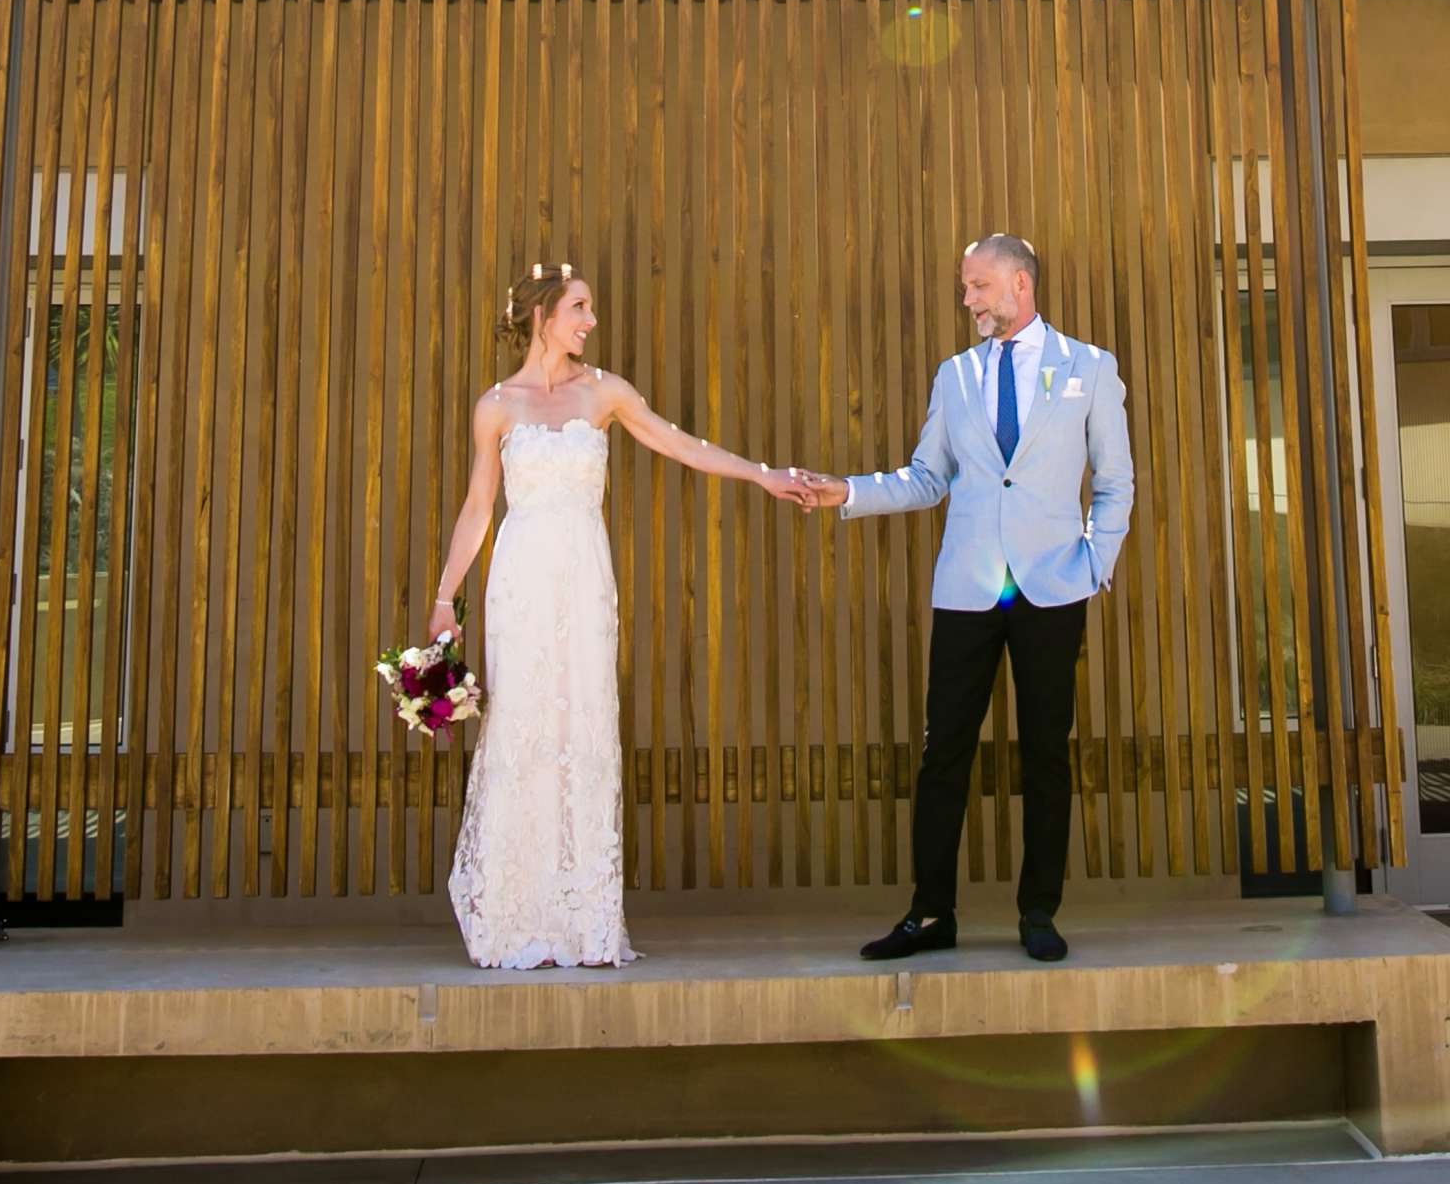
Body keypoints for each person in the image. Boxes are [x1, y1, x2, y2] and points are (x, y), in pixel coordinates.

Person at [432, 260, 804, 970]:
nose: (591, 321)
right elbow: (479, 507)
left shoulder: (605, 392)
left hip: (583, 577)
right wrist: (444, 598)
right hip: (521, 580)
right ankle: (514, 916)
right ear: (544, 317)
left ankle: (582, 919)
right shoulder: (497, 406)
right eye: (580, 308)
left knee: (584, 726)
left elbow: (677, 442)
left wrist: (762, 473)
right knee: (523, 728)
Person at [796, 233, 1133, 965]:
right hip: (968, 591)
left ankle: (1038, 910)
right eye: (966, 288)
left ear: (1020, 284)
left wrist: (1093, 564)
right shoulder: (954, 376)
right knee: (942, 754)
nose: (968, 300)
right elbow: (926, 477)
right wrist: (845, 492)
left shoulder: (1090, 368)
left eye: (978, 286)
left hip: (1052, 588)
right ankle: (930, 914)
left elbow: (1115, 480)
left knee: (1046, 754)